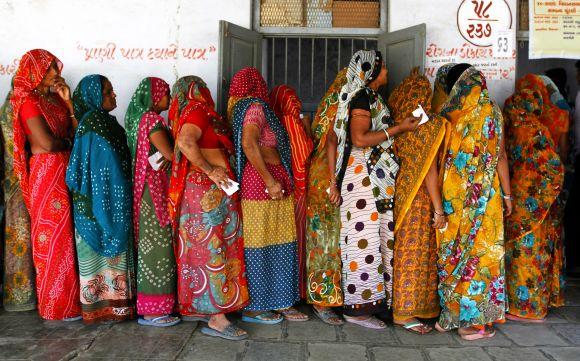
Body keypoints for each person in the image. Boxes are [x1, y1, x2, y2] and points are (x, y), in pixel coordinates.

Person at [332, 50, 419, 329]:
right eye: (383, 68)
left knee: (376, 239)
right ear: (371, 72)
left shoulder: (372, 98)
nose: (387, 73)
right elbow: (359, 138)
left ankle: (375, 302)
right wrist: (399, 129)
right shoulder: (361, 98)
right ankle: (356, 311)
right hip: (362, 178)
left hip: (374, 178)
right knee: (363, 242)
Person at [431, 63, 511, 340]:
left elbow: (435, 156)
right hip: (485, 196)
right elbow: (500, 156)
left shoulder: (447, 113)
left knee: (452, 253)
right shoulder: (493, 112)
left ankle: (449, 316)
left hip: (452, 194)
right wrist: (508, 195)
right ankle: (467, 325)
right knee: (480, 255)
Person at [168, 76, 250, 340]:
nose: (207, 92)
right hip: (205, 194)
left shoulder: (193, 112)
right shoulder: (196, 109)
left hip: (211, 193)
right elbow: (185, 142)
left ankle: (212, 309)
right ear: (195, 91)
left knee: (213, 249)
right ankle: (217, 318)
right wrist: (210, 170)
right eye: (203, 88)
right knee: (211, 250)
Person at [229, 67, 308, 323]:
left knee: (281, 242)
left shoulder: (241, 109)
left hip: (271, 182)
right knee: (259, 246)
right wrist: (270, 180)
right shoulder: (254, 107)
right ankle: (255, 307)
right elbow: (249, 144)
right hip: (262, 185)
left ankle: (282, 300)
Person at [11, 49, 81, 321]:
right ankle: (56, 306)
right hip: (46, 172)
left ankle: (73, 301)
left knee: (70, 238)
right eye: (51, 68)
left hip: (64, 168)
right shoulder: (27, 101)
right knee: (53, 238)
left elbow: (76, 130)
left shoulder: (54, 99)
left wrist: (69, 103)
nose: (57, 73)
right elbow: (47, 143)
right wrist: (68, 143)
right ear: (35, 71)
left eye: (55, 66)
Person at [66, 74, 135, 324]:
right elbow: (98, 168)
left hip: (113, 200)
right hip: (96, 205)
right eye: (108, 92)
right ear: (94, 96)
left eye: (112, 90)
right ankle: (102, 309)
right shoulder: (93, 124)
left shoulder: (108, 123)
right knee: (96, 259)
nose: (114, 95)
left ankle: (114, 308)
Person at [387, 67, 446, 334]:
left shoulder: (399, 122)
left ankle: (403, 308)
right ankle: (406, 313)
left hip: (400, 193)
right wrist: (439, 209)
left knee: (404, 253)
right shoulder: (428, 126)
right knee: (417, 254)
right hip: (421, 199)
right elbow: (430, 170)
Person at [503, 87, 564, 322]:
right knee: (531, 256)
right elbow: (554, 167)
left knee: (520, 256)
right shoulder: (538, 131)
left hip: (517, 201)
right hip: (535, 205)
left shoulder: (515, 131)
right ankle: (531, 307)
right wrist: (543, 195)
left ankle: (526, 309)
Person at [125, 77, 179, 327]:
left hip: (142, 187)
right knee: (158, 246)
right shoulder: (153, 120)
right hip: (153, 188)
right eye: (166, 94)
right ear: (155, 96)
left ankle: (151, 306)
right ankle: (154, 310)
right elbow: (169, 154)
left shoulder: (135, 118)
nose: (169, 99)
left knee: (150, 242)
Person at [305, 69, 348, 325]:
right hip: (325, 178)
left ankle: (325, 297)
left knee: (323, 240)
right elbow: (331, 139)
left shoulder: (328, 101)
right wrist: (333, 181)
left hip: (319, 174)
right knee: (326, 243)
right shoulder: (340, 101)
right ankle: (322, 301)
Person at [270, 85, 314, 300]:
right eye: (292, 99)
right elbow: (304, 153)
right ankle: (299, 291)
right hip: (299, 188)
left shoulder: (273, 120)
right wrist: (307, 125)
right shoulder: (290, 120)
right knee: (299, 241)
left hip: (283, 187)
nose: (296, 103)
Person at [1, 79, 36, 312]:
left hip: (22, 179)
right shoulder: (15, 105)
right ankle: (20, 297)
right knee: (21, 239)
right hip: (19, 181)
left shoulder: (13, 103)